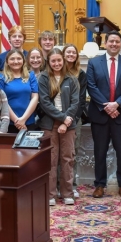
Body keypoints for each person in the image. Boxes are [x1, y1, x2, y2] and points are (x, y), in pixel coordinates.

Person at [86, 30, 121, 199]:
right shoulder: (94, 63)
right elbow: (91, 86)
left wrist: (117, 105)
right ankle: (100, 185)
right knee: (99, 152)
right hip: (100, 115)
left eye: (117, 41)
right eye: (111, 41)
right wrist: (106, 106)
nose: (114, 44)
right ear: (105, 43)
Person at [38, 48, 80, 206]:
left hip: (68, 125)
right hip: (49, 124)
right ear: (49, 62)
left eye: (59, 60)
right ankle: (50, 194)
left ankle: (67, 193)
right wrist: (62, 118)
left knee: (67, 158)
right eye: (53, 61)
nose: (56, 63)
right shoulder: (43, 78)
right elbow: (44, 102)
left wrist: (65, 122)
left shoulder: (71, 78)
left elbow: (76, 102)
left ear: (63, 60)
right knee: (50, 159)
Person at [0, 49, 39, 133]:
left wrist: (23, 119)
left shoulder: (31, 76)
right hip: (9, 123)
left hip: (28, 121)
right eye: (12, 59)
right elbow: (2, 101)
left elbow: (35, 97)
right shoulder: (0, 78)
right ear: (7, 61)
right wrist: (17, 121)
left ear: (23, 61)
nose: (16, 61)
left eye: (19, 58)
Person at [63, 43, 86, 199]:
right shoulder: (56, 71)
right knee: (58, 154)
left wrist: (72, 118)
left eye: (73, 52)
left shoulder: (81, 73)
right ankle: (58, 185)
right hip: (57, 119)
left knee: (72, 153)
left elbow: (81, 99)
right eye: (68, 52)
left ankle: (72, 185)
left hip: (74, 119)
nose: (71, 55)